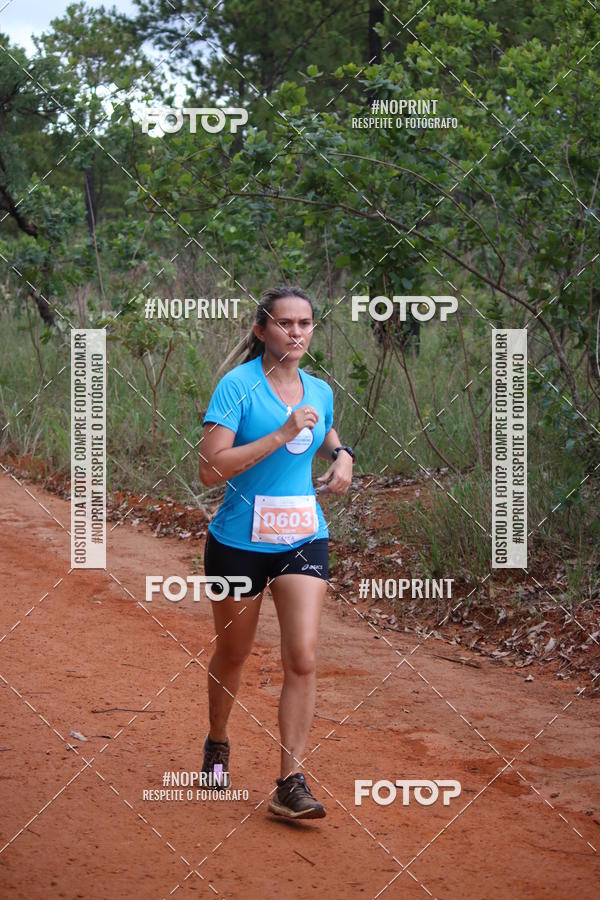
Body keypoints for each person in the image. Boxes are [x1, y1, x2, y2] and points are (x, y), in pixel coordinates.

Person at [198, 285, 355, 820]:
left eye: (304, 323)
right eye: (284, 323)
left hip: (303, 537)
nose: (295, 332)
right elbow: (210, 468)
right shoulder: (237, 387)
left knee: (303, 656)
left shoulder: (319, 388)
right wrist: (281, 433)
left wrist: (342, 454)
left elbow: (324, 425)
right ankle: (218, 741)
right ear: (262, 329)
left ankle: (290, 782)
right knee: (234, 653)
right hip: (238, 543)